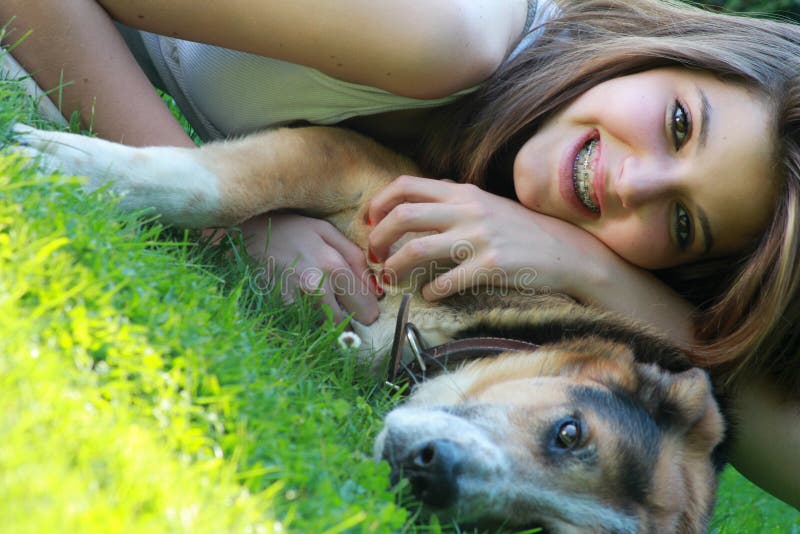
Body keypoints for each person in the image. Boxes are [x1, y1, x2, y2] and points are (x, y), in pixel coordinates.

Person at [2, 0, 798, 509]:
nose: (634, 180)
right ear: (678, 47)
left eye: (684, 223)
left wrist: (585, 267)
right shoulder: (455, 34)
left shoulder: (522, 220)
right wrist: (230, 219)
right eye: (681, 124)